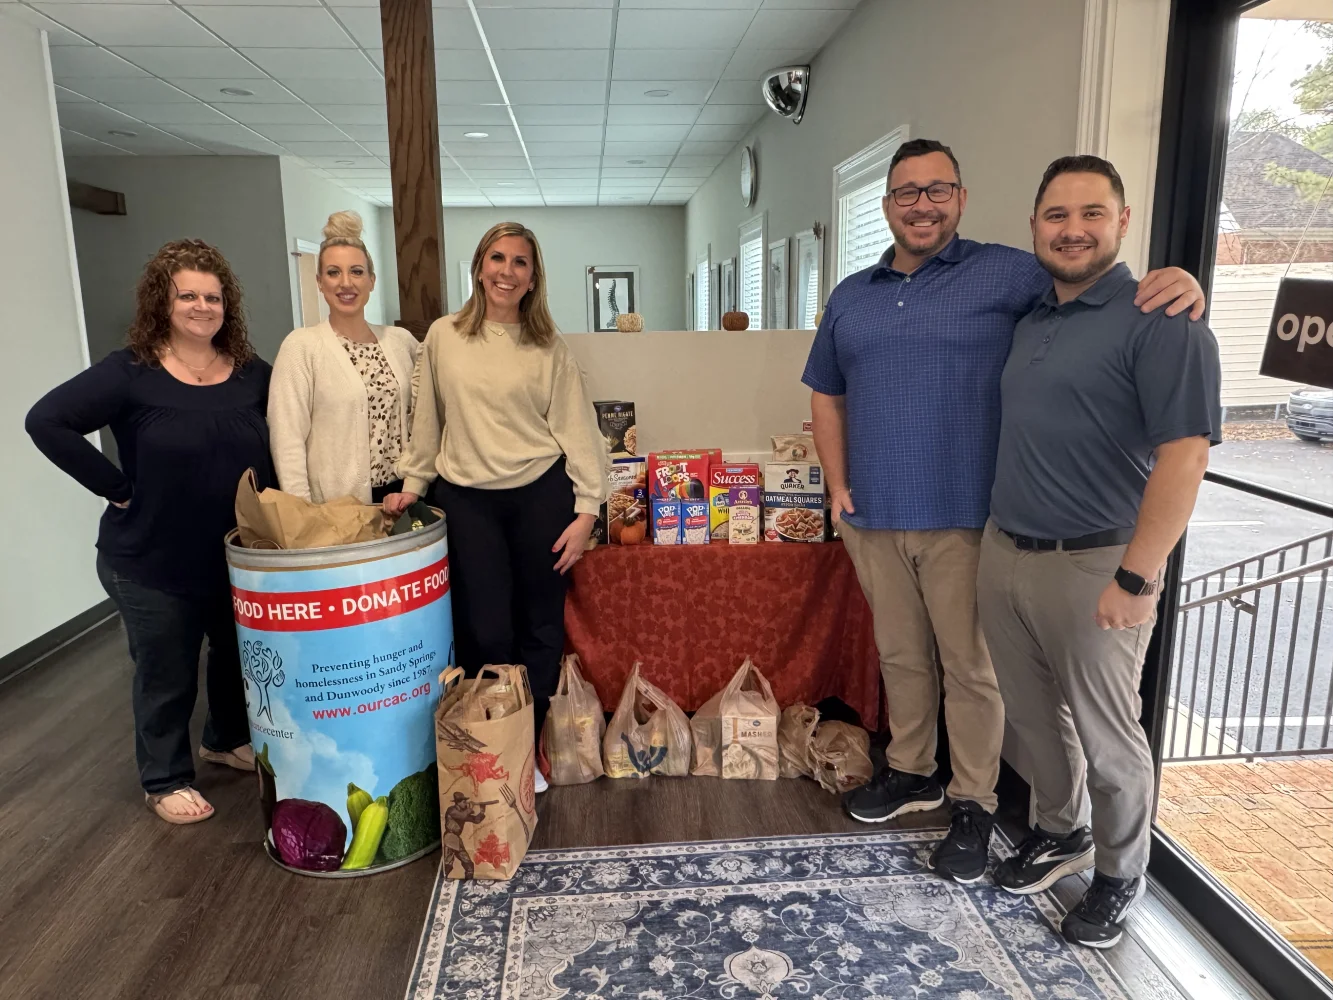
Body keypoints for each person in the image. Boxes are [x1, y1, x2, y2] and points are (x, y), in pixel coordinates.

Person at [802, 139, 1207, 883]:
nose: (921, 204)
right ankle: (912, 769)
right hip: (873, 515)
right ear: (885, 206)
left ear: (960, 198)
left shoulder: (1009, 271)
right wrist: (835, 484)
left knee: (971, 670)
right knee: (899, 657)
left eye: (937, 190)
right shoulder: (851, 295)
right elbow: (825, 393)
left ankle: (973, 802)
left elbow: (1090, 281)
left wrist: (1174, 278)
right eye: (905, 193)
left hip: (969, 516)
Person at [979, 155, 1219, 947]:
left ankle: (1119, 876)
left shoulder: (1162, 319)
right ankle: (1060, 832)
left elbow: (1185, 456)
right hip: (1005, 551)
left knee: (1110, 736)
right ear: (1034, 226)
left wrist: (1136, 574)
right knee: (1032, 718)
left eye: (1090, 213)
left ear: (1121, 221)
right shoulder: (1031, 315)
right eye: (1055, 214)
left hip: (1096, 564)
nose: (1072, 229)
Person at [26, 239, 273, 825]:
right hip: (150, 557)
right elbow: (46, 421)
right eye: (187, 294)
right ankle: (163, 779)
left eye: (212, 296)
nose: (201, 306)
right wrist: (112, 484)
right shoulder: (129, 372)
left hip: (233, 554)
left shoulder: (250, 373)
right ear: (162, 303)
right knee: (166, 668)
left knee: (236, 654)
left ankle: (223, 738)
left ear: (227, 306)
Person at [385, 222, 608, 794]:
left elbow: (579, 432)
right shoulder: (443, 336)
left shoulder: (548, 347)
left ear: (534, 278)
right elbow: (428, 419)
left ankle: (523, 753)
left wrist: (587, 512)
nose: (507, 271)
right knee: (485, 631)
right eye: (498, 258)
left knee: (540, 629)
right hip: (467, 502)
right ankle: (489, 743)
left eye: (521, 263)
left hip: (541, 498)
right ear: (479, 265)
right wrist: (414, 481)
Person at [268, 211, 420, 504]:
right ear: (319, 281)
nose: (346, 283)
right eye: (334, 272)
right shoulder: (301, 347)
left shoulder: (401, 342)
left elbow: (425, 416)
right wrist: (304, 512)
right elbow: (287, 440)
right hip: (336, 509)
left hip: (403, 500)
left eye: (357, 272)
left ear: (372, 281)